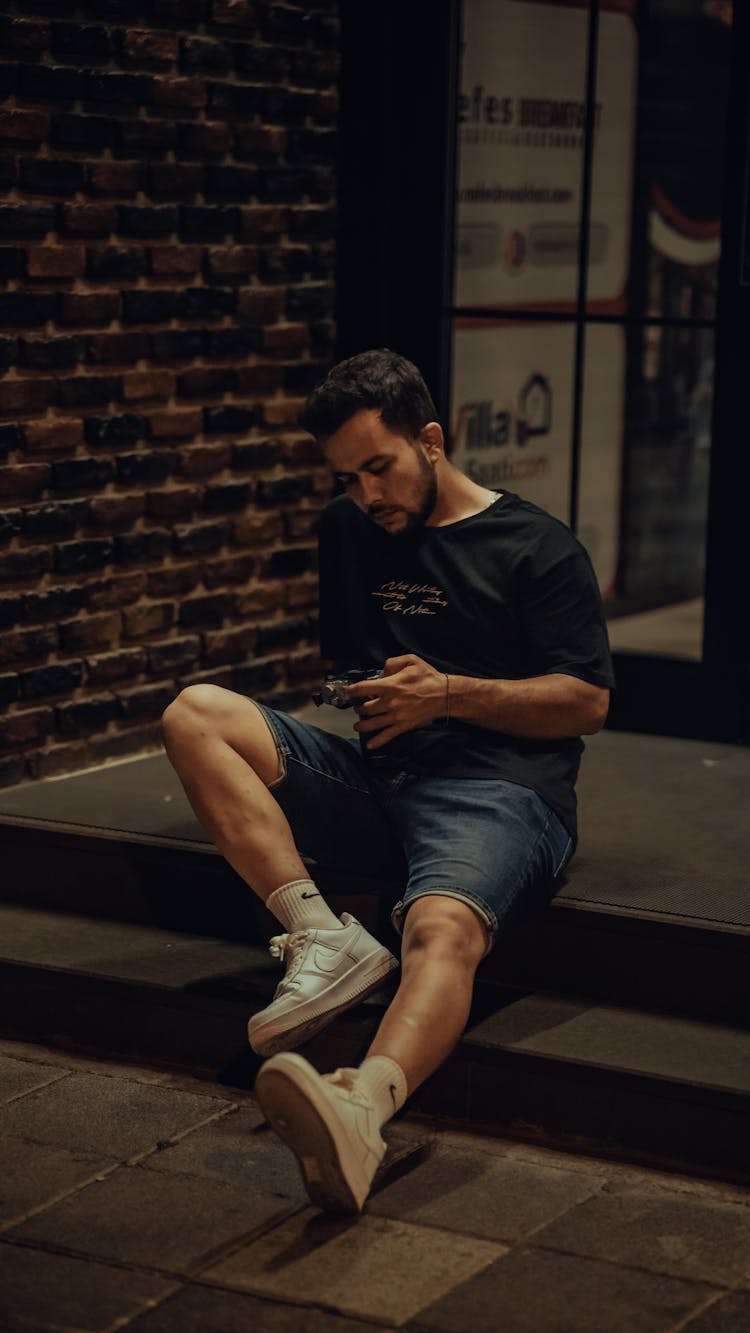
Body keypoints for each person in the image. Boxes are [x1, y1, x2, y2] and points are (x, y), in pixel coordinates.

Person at [162, 348, 615, 1215]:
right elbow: (353, 662)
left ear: (432, 440)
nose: (368, 493)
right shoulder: (350, 528)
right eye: (347, 476)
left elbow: (587, 700)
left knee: (441, 927)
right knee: (195, 713)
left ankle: (361, 1107)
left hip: (500, 790)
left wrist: (444, 693)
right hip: (381, 776)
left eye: (381, 467)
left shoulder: (537, 547)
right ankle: (319, 936)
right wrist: (365, 697)